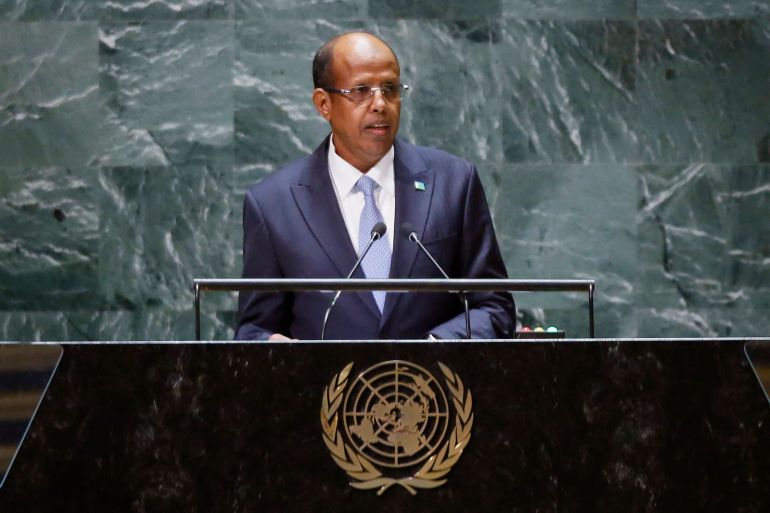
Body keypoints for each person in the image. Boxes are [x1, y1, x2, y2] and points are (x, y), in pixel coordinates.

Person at [235, 32, 514, 341]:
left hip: (435, 386)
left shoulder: (454, 183)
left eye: (390, 89)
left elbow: (494, 306)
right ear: (323, 104)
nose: (380, 104)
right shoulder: (273, 204)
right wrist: (283, 353)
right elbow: (254, 330)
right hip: (326, 388)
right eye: (361, 91)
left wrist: (435, 349)